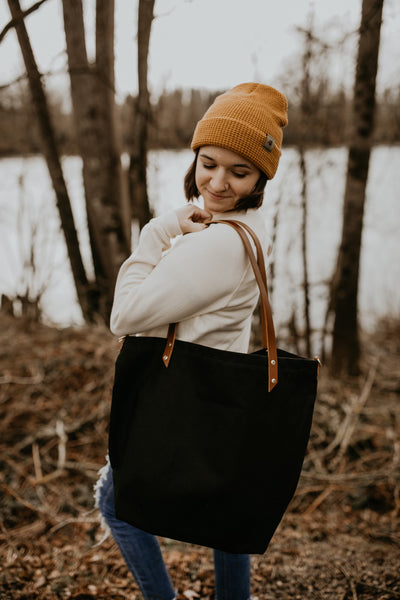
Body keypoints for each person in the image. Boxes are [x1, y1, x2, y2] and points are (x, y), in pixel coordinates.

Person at [95, 82, 288, 600]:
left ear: (261, 176)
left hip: (178, 394)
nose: (217, 183)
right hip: (218, 394)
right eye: (208, 163)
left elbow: (125, 315)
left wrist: (159, 232)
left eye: (239, 171)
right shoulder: (246, 226)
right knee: (227, 517)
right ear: (194, 156)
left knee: (115, 504)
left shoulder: (218, 244)